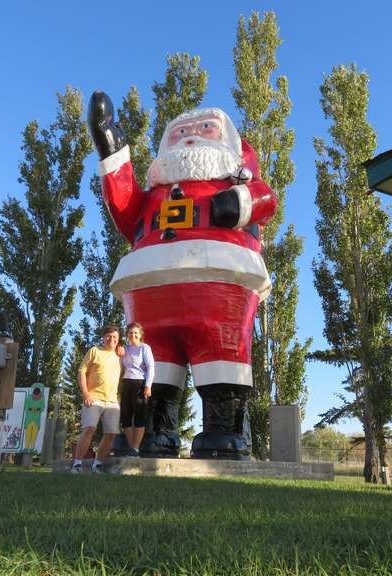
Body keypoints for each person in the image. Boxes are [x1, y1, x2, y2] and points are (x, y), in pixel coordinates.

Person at [88, 92, 278, 459]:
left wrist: (237, 203)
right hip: (149, 287)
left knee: (221, 354)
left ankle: (223, 433)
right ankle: (152, 434)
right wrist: (111, 149)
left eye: (205, 128)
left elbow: (264, 200)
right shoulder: (153, 196)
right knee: (151, 365)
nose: (191, 136)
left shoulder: (233, 179)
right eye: (180, 132)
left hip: (219, 278)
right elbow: (125, 208)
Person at [72, 325, 123, 473]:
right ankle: (77, 464)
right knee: (89, 428)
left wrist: (122, 349)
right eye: (109, 336)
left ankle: (97, 464)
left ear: (118, 340)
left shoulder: (120, 355)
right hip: (93, 398)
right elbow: (82, 371)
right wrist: (86, 393)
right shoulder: (95, 351)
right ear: (103, 337)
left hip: (112, 401)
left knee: (111, 433)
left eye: (115, 337)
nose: (111, 339)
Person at [119, 322, 155, 457]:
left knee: (140, 416)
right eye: (130, 332)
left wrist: (148, 385)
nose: (133, 335)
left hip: (140, 384)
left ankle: (135, 449)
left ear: (140, 335)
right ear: (127, 334)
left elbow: (151, 366)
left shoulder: (145, 348)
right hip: (126, 384)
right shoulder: (124, 349)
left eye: (135, 333)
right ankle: (132, 447)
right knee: (125, 418)